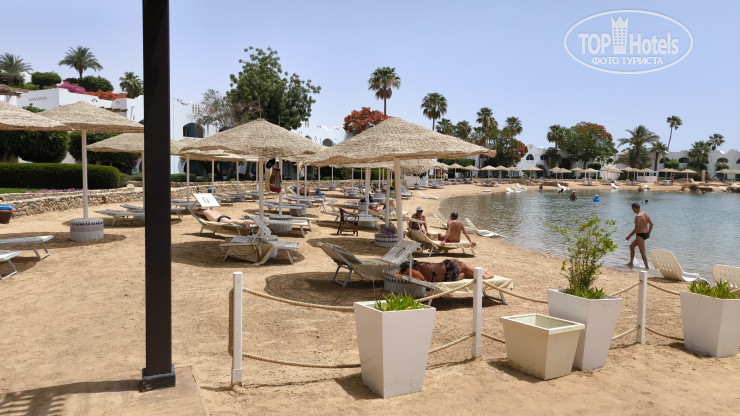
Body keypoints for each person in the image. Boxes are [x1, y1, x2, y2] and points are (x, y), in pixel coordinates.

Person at [399, 259, 494, 282]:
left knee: (464, 274)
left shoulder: (415, 270)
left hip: (448, 277)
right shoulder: (414, 270)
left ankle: (482, 274)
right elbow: (424, 279)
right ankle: (483, 275)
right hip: (448, 269)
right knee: (462, 266)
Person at [626, 202, 654, 269]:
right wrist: (649, 233)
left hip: (640, 235)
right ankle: (631, 263)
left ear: (635, 208)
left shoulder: (638, 216)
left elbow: (636, 229)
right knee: (631, 246)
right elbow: (651, 224)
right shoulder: (645, 214)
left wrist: (629, 236)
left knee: (642, 252)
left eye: (632, 209)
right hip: (645, 233)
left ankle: (647, 267)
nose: (632, 210)